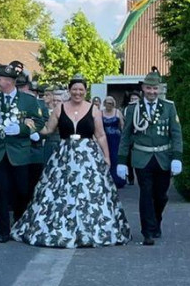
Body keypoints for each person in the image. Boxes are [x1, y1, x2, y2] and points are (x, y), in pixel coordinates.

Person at [12, 75, 130, 248]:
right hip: (64, 155)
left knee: (90, 192)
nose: (77, 92)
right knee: (58, 191)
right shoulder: (59, 108)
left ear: (85, 91)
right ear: (69, 90)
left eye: (81, 89)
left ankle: (91, 230)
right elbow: (48, 129)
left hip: (88, 156)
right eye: (74, 89)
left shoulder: (93, 110)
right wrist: (30, 126)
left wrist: (106, 156)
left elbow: (100, 135)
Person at [0, 63, 47, 243]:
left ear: (10, 81)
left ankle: (19, 222)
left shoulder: (28, 101)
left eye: (0, 79)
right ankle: (3, 230)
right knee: (1, 190)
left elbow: (39, 122)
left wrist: (22, 129)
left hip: (20, 153)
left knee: (22, 190)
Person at [118, 69, 184, 246]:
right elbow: (126, 136)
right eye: (149, 88)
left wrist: (177, 157)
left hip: (163, 157)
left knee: (161, 195)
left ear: (159, 89)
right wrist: (121, 161)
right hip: (142, 157)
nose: (152, 92)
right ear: (143, 88)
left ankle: (156, 221)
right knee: (146, 193)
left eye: (155, 88)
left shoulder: (169, 107)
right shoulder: (133, 109)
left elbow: (176, 134)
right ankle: (147, 231)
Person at [101, 96, 127, 189]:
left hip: (116, 139)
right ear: (104, 103)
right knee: (105, 158)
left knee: (115, 158)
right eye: (108, 103)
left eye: (111, 103)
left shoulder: (117, 112)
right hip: (105, 138)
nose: (109, 105)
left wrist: (124, 137)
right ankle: (106, 180)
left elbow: (122, 125)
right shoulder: (101, 113)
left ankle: (118, 180)